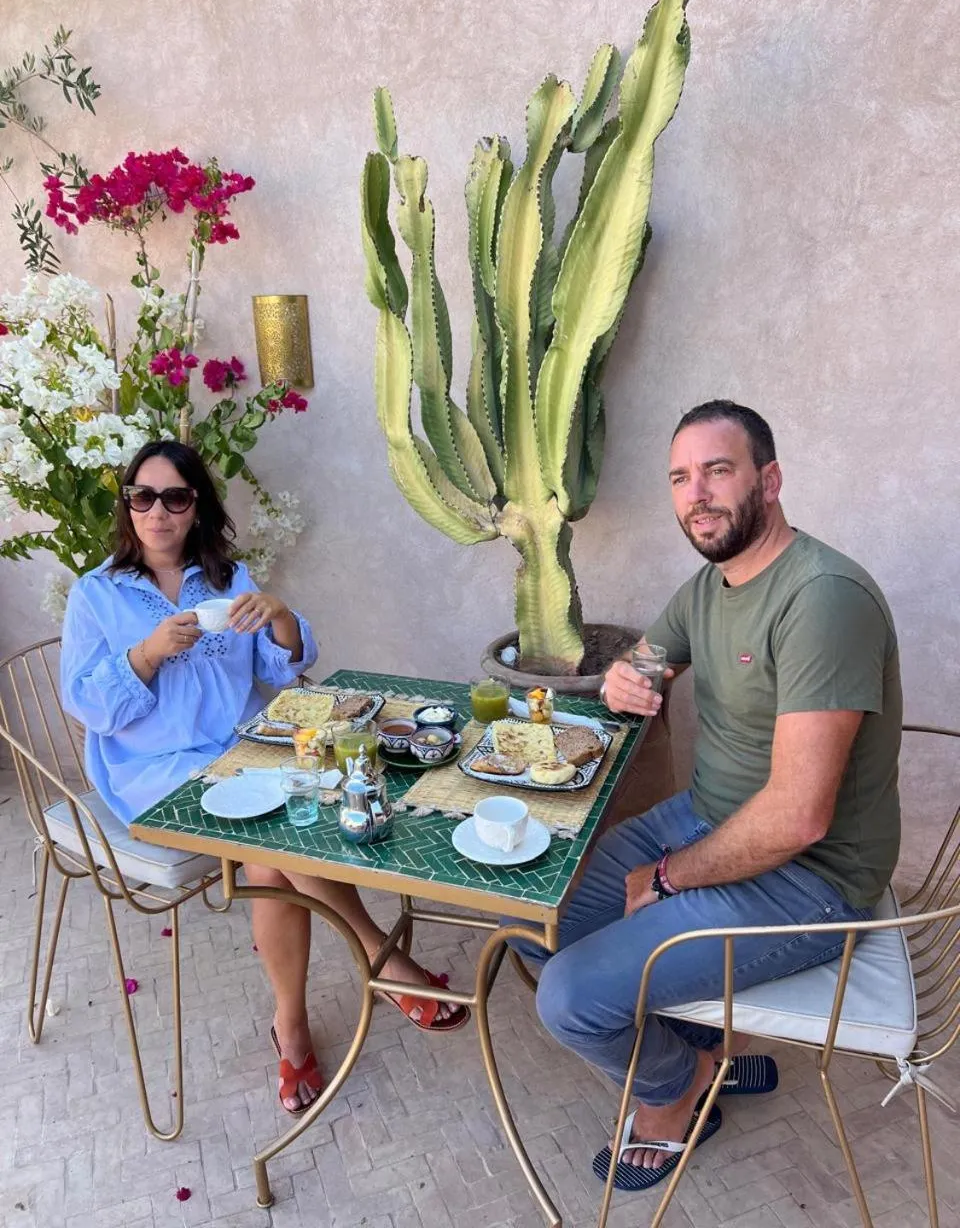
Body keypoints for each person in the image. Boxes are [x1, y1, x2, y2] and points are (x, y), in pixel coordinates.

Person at [518, 400, 902, 1192]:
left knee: (568, 997)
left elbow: (799, 816)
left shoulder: (822, 597)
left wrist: (665, 880)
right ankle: (695, 1060)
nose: (697, 494)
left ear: (770, 478)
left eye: (717, 471)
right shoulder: (710, 587)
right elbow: (653, 663)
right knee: (531, 908)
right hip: (706, 819)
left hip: (813, 880)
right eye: (680, 478)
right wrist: (628, 678)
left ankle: (670, 1091)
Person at [62, 441, 467, 1116]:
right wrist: (147, 653)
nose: (157, 512)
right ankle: (383, 962)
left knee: (276, 856)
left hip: (244, 749)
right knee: (280, 841)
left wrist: (280, 617)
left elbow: (282, 674)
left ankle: (293, 1028)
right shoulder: (94, 595)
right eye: (142, 497)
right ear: (126, 505)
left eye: (175, 498)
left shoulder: (228, 578)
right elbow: (89, 708)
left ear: (197, 508)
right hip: (154, 769)